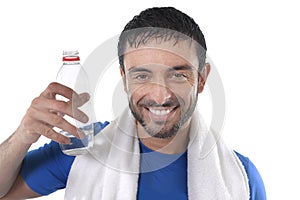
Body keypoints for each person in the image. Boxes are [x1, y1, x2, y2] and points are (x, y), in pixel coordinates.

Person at [0, 7, 266, 200]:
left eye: (177, 74)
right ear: (124, 79)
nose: (160, 96)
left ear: (202, 79)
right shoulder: (84, 151)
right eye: (142, 75)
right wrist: (23, 136)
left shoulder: (241, 177)